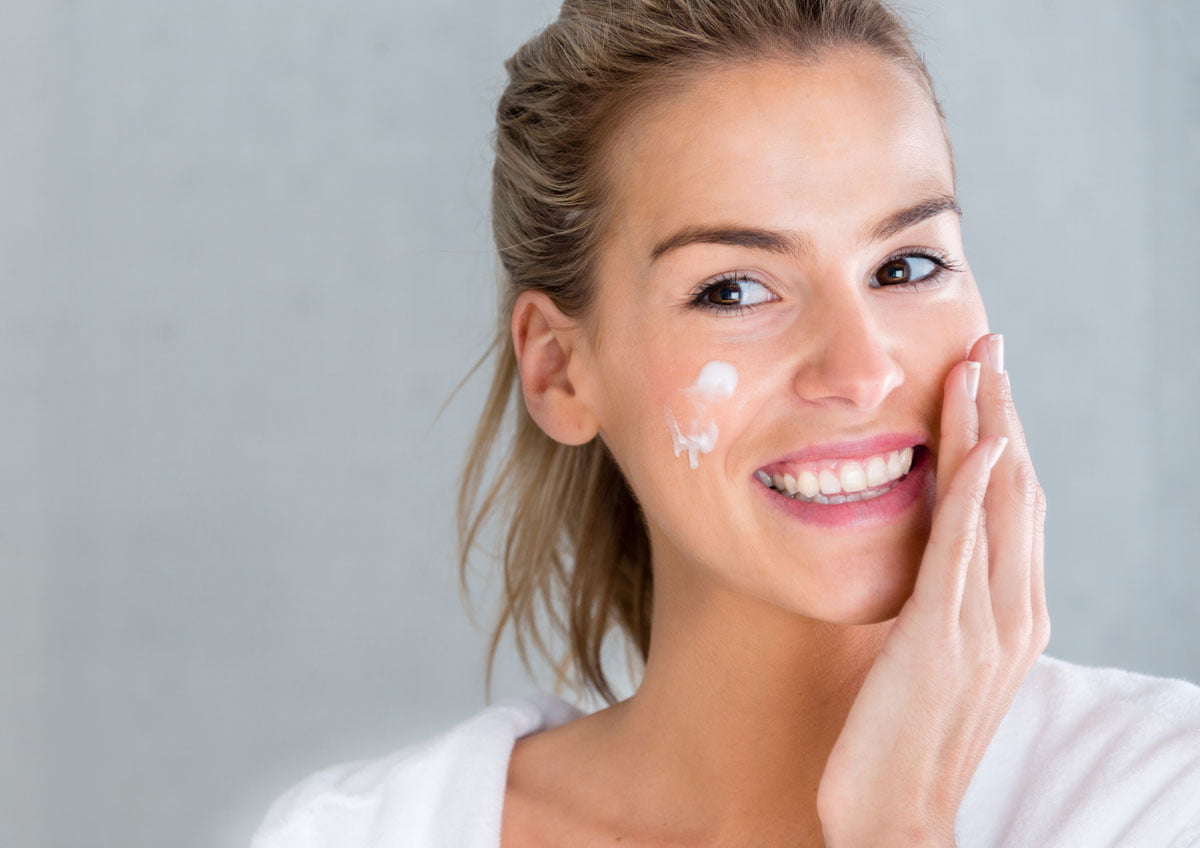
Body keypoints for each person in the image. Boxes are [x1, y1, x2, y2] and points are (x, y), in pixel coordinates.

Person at [249, 1, 1200, 845]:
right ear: (560, 370)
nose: (862, 372)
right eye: (735, 289)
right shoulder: (367, 832)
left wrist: (895, 829)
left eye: (906, 267)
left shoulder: (1158, 802)